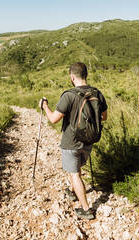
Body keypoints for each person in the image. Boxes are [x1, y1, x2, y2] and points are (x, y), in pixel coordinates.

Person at [40, 62, 108, 220]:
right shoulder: (97, 93)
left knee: (74, 173)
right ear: (86, 75)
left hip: (71, 142)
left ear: (72, 77)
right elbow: (104, 117)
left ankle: (86, 209)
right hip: (89, 140)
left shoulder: (69, 95)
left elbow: (53, 119)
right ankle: (72, 191)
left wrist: (45, 107)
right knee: (76, 168)